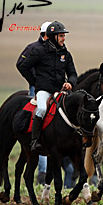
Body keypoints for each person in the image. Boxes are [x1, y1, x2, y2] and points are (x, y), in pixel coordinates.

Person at [19, 20, 77, 152]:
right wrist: (35, 82)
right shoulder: (39, 51)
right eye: (61, 36)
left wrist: (71, 83)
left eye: (64, 36)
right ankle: (35, 141)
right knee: (41, 110)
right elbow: (24, 67)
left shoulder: (65, 54)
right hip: (44, 91)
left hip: (60, 91)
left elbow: (73, 73)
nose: (63, 38)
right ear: (53, 36)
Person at [16, 21, 52, 184]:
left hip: (51, 89)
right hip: (38, 90)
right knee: (39, 117)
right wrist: (34, 82)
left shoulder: (57, 51)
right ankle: (42, 171)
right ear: (45, 35)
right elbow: (20, 65)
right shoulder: (33, 48)